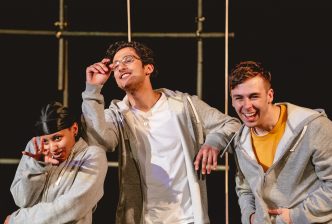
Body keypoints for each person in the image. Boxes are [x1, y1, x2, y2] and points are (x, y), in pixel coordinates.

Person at [81, 40, 241, 224]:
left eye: (127, 60)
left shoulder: (184, 105)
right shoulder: (118, 115)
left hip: (188, 218)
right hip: (144, 219)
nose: (120, 67)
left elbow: (232, 125)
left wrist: (213, 142)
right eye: (115, 65)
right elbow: (98, 140)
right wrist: (93, 90)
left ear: (148, 68)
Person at [229, 61, 332, 224]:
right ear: (232, 101)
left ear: (270, 95)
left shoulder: (314, 127)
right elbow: (245, 188)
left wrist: (294, 217)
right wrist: (250, 217)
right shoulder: (240, 141)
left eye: (254, 96)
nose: (247, 106)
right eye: (239, 98)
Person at [4, 101, 108, 224]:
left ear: (74, 129)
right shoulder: (36, 148)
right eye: (45, 141)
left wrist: (20, 219)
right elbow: (22, 200)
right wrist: (38, 166)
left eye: (57, 138)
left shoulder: (92, 156)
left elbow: (73, 206)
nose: (53, 148)